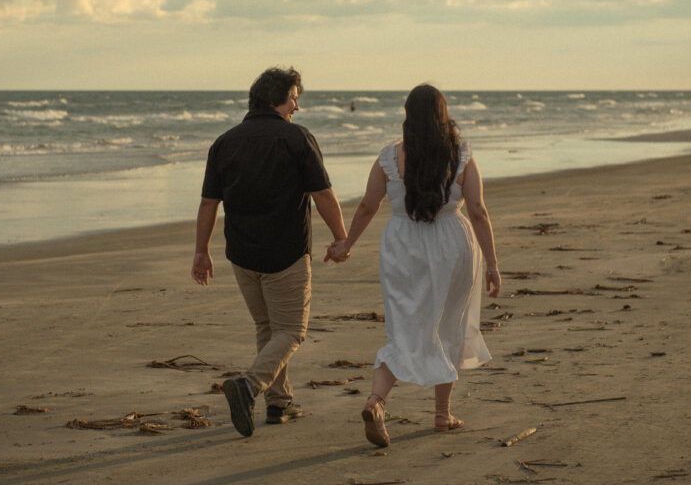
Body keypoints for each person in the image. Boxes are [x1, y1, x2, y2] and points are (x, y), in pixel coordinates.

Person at [328, 84, 500, 448]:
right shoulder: (462, 156)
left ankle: (376, 401)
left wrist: (347, 244)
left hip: (402, 245)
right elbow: (478, 211)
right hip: (453, 244)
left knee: (404, 329)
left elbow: (367, 206)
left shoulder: (389, 157)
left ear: (408, 116)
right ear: (443, 115)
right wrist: (493, 265)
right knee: (450, 324)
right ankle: (442, 414)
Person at [192, 66, 348, 438]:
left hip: (242, 253)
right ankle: (248, 386)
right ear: (276, 98)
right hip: (286, 253)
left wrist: (201, 252)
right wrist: (341, 236)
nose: (297, 106)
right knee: (292, 331)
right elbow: (322, 194)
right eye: (294, 97)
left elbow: (208, 204)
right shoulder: (296, 138)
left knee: (268, 328)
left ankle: (279, 404)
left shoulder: (225, 142)